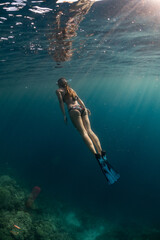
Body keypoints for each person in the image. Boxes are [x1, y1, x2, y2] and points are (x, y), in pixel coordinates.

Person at [56, 78, 120, 184]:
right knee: (90, 131)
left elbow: (61, 103)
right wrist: (85, 108)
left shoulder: (58, 91)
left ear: (59, 84)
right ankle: (101, 152)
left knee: (83, 133)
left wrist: (63, 115)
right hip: (82, 109)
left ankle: (97, 155)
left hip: (73, 110)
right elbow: (79, 100)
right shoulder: (71, 89)